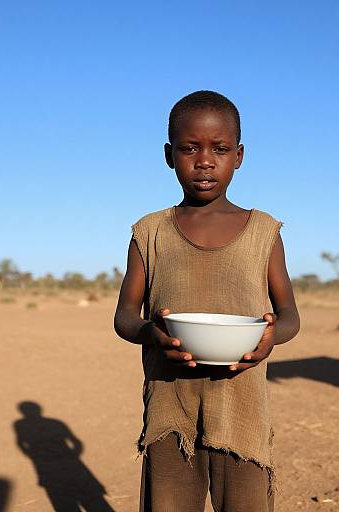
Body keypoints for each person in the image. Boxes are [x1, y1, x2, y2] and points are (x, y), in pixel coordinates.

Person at [114, 90, 300, 512]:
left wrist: (271, 337)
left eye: (219, 149)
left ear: (238, 155)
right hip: (169, 409)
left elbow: (289, 315)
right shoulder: (150, 232)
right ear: (168, 154)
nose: (204, 161)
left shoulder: (263, 231)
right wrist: (152, 333)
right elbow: (125, 316)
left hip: (243, 412)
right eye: (189, 148)